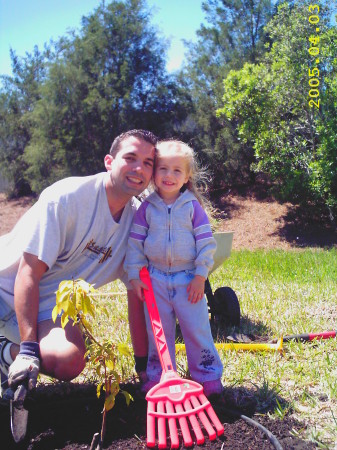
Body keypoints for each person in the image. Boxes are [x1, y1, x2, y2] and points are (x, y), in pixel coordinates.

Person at [0, 129, 156, 397]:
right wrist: (28, 351)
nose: (138, 168)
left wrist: (143, 366)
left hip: (51, 308)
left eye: (148, 163)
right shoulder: (67, 198)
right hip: (6, 286)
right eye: (130, 158)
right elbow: (28, 274)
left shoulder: (138, 225)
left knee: (70, 360)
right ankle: (19, 352)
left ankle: (5, 354)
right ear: (109, 161)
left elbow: (137, 297)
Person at [124, 139, 224, 397]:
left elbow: (206, 243)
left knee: (196, 329)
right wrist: (135, 275)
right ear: (154, 173)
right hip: (154, 280)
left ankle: (207, 375)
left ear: (187, 176)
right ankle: (160, 377)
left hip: (188, 280)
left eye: (177, 170)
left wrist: (201, 275)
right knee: (158, 333)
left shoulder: (192, 207)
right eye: (163, 169)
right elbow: (135, 244)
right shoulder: (146, 208)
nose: (169, 176)